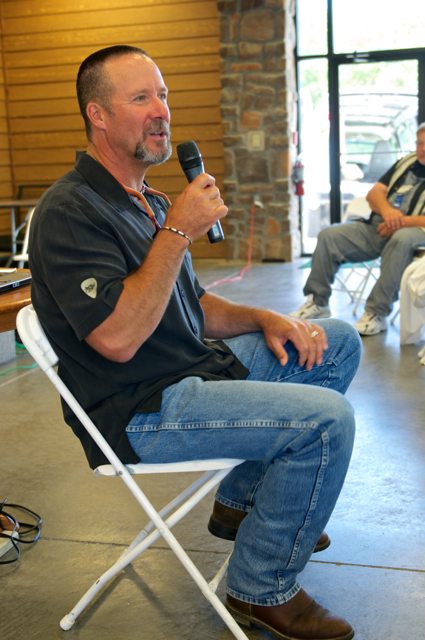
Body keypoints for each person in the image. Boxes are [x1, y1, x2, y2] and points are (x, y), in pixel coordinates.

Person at [29, 45, 361, 640]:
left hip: (194, 370)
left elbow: (195, 306)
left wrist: (266, 318)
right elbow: (117, 338)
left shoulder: (151, 201)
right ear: (97, 115)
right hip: (140, 407)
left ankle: (241, 503)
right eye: (141, 98)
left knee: (332, 341)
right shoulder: (70, 211)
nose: (161, 110)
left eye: (163, 95)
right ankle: (261, 587)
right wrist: (179, 230)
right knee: (325, 422)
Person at [291, 123, 425, 336]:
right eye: (419, 143)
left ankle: (376, 313)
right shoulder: (406, 163)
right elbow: (374, 194)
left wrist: (400, 222)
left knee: (401, 239)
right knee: (329, 235)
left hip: (416, 232)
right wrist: (388, 213)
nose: (422, 149)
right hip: (379, 225)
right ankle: (318, 302)